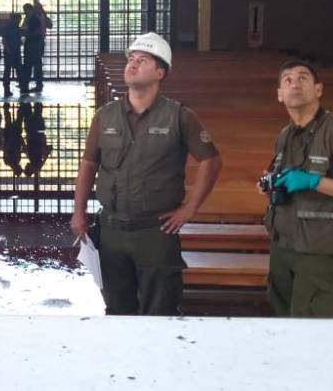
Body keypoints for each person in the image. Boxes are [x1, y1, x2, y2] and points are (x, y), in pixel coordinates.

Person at [71, 32, 222, 315]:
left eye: (143, 60)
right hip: (112, 229)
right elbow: (89, 164)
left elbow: (211, 161)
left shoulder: (179, 116)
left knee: (160, 311)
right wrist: (79, 212)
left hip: (155, 232)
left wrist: (189, 209)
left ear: (160, 72)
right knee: (117, 309)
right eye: (131, 58)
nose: (133, 63)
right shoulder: (105, 116)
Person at [262, 60, 333, 318]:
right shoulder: (284, 135)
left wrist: (314, 182)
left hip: (319, 247)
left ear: (318, 90)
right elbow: (283, 177)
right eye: (287, 80)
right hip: (283, 244)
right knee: (283, 318)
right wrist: (270, 184)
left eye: (303, 78)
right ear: (279, 94)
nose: (295, 84)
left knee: (313, 325)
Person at [19, 3, 45, 94]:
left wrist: (28, 34)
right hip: (34, 44)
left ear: (29, 10)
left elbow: (38, 31)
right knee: (34, 65)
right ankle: (36, 84)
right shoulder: (31, 19)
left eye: (25, 10)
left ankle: (31, 84)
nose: (24, 12)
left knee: (30, 65)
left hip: (33, 44)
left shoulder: (33, 19)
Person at [1, 13, 23, 97]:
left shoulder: (15, 27)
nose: (19, 21)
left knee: (16, 69)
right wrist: (8, 49)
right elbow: (4, 40)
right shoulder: (8, 27)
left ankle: (21, 85)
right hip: (10, 51)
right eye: (19, 19)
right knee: (8, 70)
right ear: (15, 19)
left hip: (15, 51)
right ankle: (7, 89)